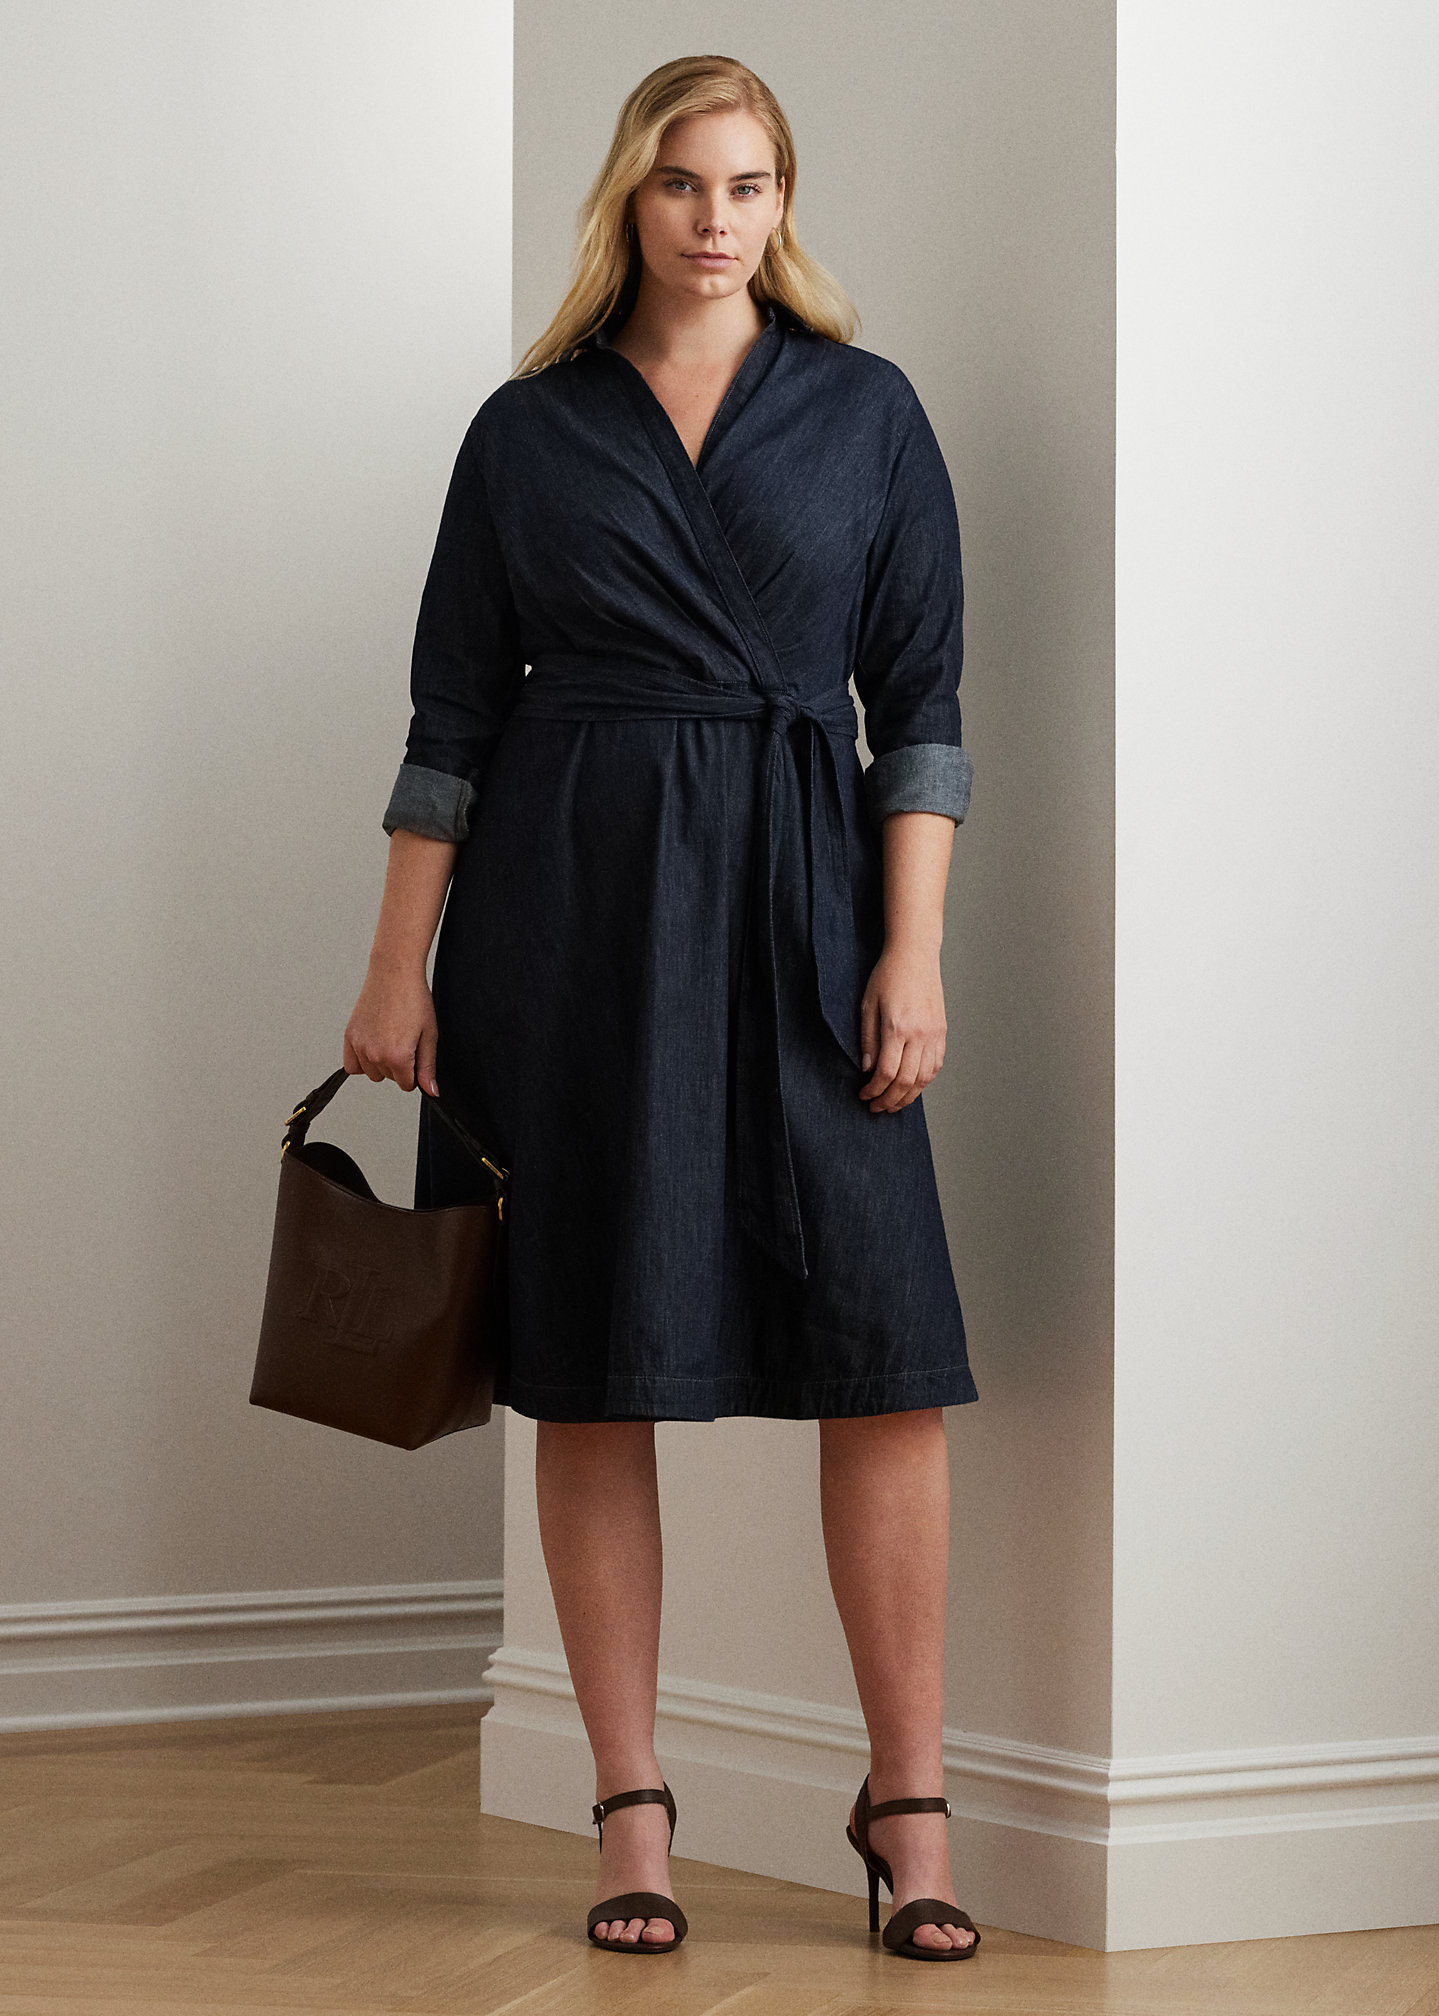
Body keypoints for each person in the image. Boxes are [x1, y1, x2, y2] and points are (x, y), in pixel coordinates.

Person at [344, 54, 981, 1963]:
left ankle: (911, 1799)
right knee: (594, 1358)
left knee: (883, 1354)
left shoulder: (866, 413)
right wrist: (394, 966)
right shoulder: (528, 431)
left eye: (752, 185)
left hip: (808, 909)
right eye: (685, 183)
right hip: (574, 916)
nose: (718, 220)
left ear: (787, 205)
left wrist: (913, 949)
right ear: (628, 196)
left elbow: (920, 707)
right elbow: (452, 718)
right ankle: (632, 1805)